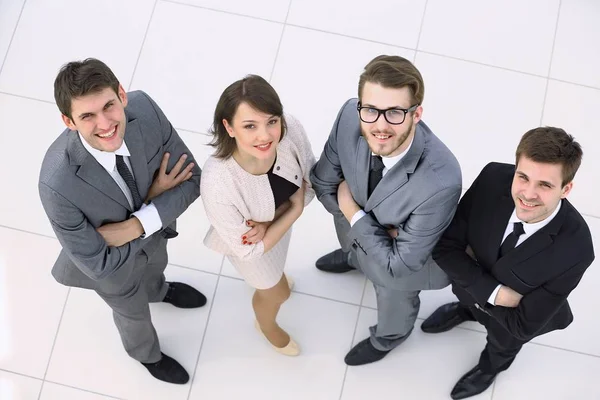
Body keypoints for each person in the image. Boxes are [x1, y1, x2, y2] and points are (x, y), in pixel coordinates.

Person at [38, 58, 206, 385]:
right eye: (87, 116)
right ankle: (147, 355)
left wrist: (136, 225)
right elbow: (101, 265)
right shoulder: (56, 184)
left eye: (109, 106)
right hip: (114, 274)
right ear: (68, 121)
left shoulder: (145, 109)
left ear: (123, 95)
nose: (105, 124)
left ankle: (160, 291)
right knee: (134, 315)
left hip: (153, 238)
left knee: (156, 267)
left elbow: (193, 180)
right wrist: (156, 200)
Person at [420, 127, 595, 399]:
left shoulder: (577, 249)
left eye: (545, 185)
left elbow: (522, 325)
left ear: (566, 189)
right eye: (523, 177)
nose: (527, 193)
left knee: (502, 346)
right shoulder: (493, 178)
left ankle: (489, 369)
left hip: (508, 326)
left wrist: (473, 276)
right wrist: (496, 294)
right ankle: (466, 311)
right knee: (469, 301)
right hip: (471, 292)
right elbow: (444, 248)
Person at [310, 55, 462, 366]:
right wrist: (377, 233)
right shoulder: (350, 117)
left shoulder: (441, 180)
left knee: (394, 305)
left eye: (394, 112)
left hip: (403, 274)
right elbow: (322, 184)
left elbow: (399, 265)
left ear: (416, 114)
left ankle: (388, 339)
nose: (379, 126)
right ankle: (354, 259)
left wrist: (352, 210)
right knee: (360, 251)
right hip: (359, 241)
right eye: (371, 110)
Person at [201, 75, 315, 356]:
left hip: (274, 229)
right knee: (277, 293)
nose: (265, 136)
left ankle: (276, 278)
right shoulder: (217, 182)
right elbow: (249, 252)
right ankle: (266, 326)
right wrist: (294, 210)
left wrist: (271, 222)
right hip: (252, 248)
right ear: (228, 127)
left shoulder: (290, 130)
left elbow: (312, 183)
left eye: (271, 122)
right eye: (249, 126)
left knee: (279, 276)